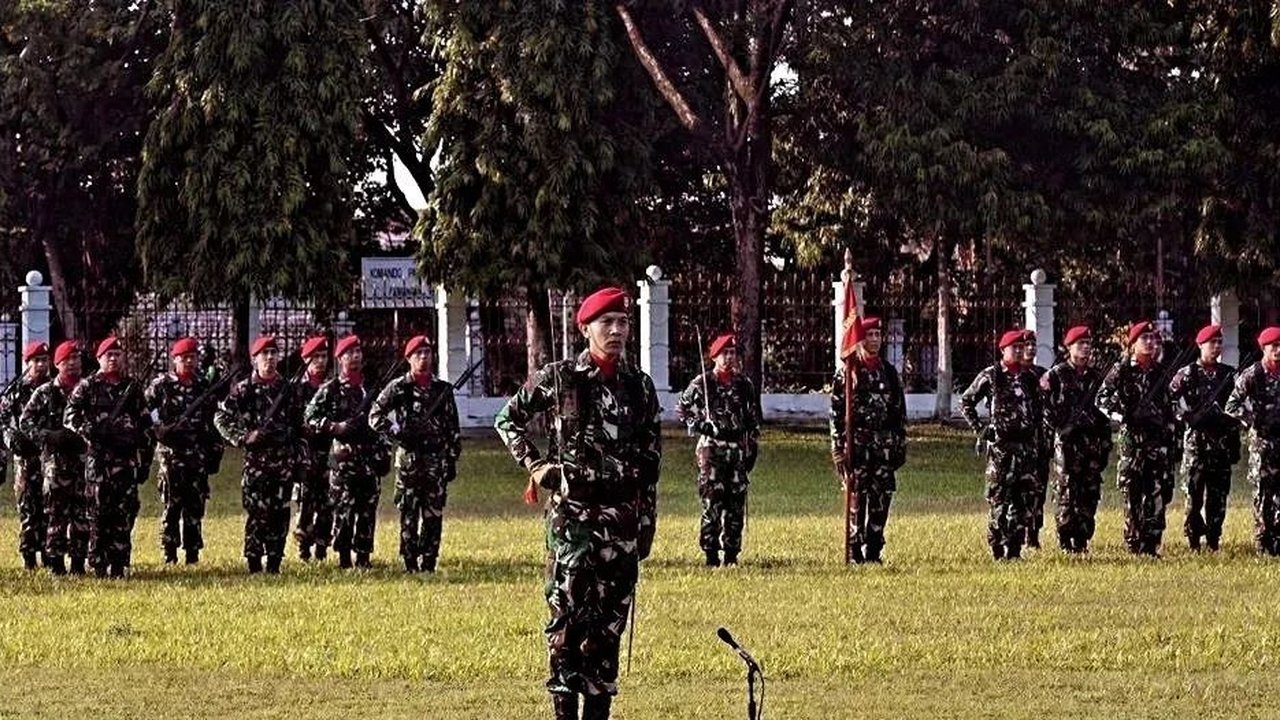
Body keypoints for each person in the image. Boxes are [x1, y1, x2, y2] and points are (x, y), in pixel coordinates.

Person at [494, 287, 662, 720]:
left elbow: (650, 460)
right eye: (607, 323)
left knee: (608, 629)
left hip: (621, 524)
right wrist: (535, 464)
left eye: (623, 322)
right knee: (566, 626)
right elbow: (506, 418)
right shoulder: (560, 377)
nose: (617, 330)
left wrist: (646, 522)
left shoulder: (639, 387)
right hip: (572, 524)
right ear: (585, 328)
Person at [369, 335, 462, 573]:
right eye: (418, 354)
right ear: (409, 358)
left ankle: (429, 561)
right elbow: (375, 416)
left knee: (434, 513)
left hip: (435, 461)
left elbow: (453, 428)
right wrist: (397, 431)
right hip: (409, 461)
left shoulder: (442, 390)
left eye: (427, 353)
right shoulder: (398, 387)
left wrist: (451, 459)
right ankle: (410, 561)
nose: (423, 357)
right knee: (408, 512)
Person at [215, 336, 303, 574]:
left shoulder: (287, 389)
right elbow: (221, 417)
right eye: (265, 354)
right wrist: (243, 437)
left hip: (283, 461)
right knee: (257, 514)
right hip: (256, 464)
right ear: (255, 359)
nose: (270, 358)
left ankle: (275, 561)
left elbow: (298, 426)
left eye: (274, 353)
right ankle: (254, 561)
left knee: (280, 512)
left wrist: (299, 459)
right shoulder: (245, 389)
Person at [65, 336, 151, 577]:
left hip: (125, 461)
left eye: (117, 354)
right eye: (108, 355)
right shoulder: (88, 386)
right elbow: (70, 415)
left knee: (124, 513)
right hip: (99, 463)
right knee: (98, 513)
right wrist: (89, 431)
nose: (113, 359)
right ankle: (99, 562)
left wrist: (143, 459)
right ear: (99, 359)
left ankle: (119, 563)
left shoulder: (132, 387)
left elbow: (146, 425)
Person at [675, 332, 760, 567]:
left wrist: (751, 447)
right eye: (725, 353)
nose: (729, 358)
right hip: (712, 448)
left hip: (736, 448)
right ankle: (711, 554)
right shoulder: (703, 382)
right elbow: (682, 409)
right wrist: (700, 425)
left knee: (735, 503)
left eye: (733, 353)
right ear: (714, 356)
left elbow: (752, 419)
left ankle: (732, 554)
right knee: (712, 501)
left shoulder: (744, 385)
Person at [304, 335, 389, 569]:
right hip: (343, 459)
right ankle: (343, 557)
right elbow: (310, 416)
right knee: (344, 509)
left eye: (359, 352)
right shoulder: (330, 389)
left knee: (367, 509)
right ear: (340, 358)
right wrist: (333, 427)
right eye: (350, 353)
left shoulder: (371, 387)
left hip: (368, 458)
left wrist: (384, 450)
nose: (356, 357)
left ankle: (363, 556)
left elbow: (383, 419)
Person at [1097, 320, 1179, 556]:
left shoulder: (1160, 372)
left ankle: (1151, 544)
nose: (1151, 343)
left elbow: (1170, 405)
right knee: (1132, 493)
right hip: (1132, 443)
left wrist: (1169, 431)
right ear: (1133, 344)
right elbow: (1102, 399)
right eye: (1145, 339)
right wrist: (1124, 415)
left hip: (1157, 442)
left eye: (1153, 339)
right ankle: (1134, 541)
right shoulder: (1121, 369)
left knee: (1157, 493)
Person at [829, 317, 906, 564]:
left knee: (881, 500)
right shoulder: (848, 374)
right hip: (857, 448)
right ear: (859, 339)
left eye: (877, 335)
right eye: (869, 335)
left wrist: (899, 445)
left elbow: (898, 413)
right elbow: (836, 414)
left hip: (883, 449)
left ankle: (874, 549)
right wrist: (838, 448)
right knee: (856, 499)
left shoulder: (889, 373)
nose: (874, 340)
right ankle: (854, 549)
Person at [961, 330, 1043, 560]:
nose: (1018, 351)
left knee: (1023, 501)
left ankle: (1015, 549)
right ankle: (997, 547)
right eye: (1014, 348)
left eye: (1021, 347)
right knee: (999, 500)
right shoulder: (992, 375)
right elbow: (966, 401)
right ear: (1003, 350)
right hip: (1001, 449)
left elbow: (1038, 409)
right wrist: (981, 429)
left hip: (1026, 448)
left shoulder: (1029, 378)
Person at [145, 337, 222, 564]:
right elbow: (146, 409)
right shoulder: (161, 385)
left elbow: (212, 419)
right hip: (171, 455)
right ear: (175, 359)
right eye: (184, 358)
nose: (189, 362)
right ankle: (169, 551)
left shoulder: (202, 386)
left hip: (197, 453)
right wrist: (160, 429)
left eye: (193, 357)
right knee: (171, 504)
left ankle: (192, 551)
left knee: (195, 504)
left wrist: (213, 450)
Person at [1040, 326, 1113, 553]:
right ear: (1069, 347)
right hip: (1067, 444)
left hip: (1090, 443)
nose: (1085, 348)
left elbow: (1104, 412)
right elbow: (1043, 407)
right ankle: (1065, 539)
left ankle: (1082, 540)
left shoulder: (1096, 377)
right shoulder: (1056, 374)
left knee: (1089, 491)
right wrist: (1058, 428)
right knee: (1066, 491)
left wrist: (1104, 443)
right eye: (1080, 344)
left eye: (1088, 344)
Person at [1168, 324, 1240, 552]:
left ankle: (1213, 539)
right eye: (1212, 343)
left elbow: (1239, 404)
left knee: (1218, 498)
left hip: (1221, 444)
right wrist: (1188, 416)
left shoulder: (1228, 374)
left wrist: (1227, 419)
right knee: (1193, 495)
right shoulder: (1186, 374)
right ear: (1200, 345)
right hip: (1196, 446)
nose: (1216, 346)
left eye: (1219, 342)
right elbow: (1171, 402)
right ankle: (1193, 540)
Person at [22, 341, 89, 575]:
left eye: (76, 359)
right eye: (67, 360)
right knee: (56, 516)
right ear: (58, 364)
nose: (72, 364)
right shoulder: (46, 392)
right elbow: (25, 422)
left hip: (83, 462)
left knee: (82, 515)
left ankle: (79, 563)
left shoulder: (88, 388)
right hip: (55, 464)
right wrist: (48, 437)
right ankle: (57, 564)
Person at [1225, 326, 1280, 555]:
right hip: (1262, 444)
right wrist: (1251, 420)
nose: (1278, 351)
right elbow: (1231, 405)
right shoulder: (1252, 374)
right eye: (1274, 347)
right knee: (1262, 494)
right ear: (1264, 349)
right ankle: (1262, 541)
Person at [0, 342, 52, 569]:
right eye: (36, 360)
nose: (41, 364)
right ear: (28, 362)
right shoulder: (16, 391)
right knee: (28, 508)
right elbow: (3, 422)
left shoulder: (54, 388)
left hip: (51, 457)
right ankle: (29, 558)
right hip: (26, 459)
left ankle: (52, 556)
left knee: (51, 507)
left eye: (44, 359)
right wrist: (12, 439)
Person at [292, 335, 333, 561]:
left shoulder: (333, 387)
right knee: (305, 501)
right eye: (315, 357)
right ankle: (303, 547)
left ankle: (322, 546)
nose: (320, 361)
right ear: (305, 359)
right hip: (305, 453)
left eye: (323, 356)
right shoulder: (296, 389)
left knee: (328, 501)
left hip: (328, 451)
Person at [1019, 329, 1053, 548]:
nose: (1030, 349)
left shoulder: (1043, 374)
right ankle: (1016, 531)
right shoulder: (1008, 376)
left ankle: (1033, 534)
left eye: (1033, 344)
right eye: (1025, 345)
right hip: (1017, 444)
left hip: (1039, 442)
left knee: (1038, 490)